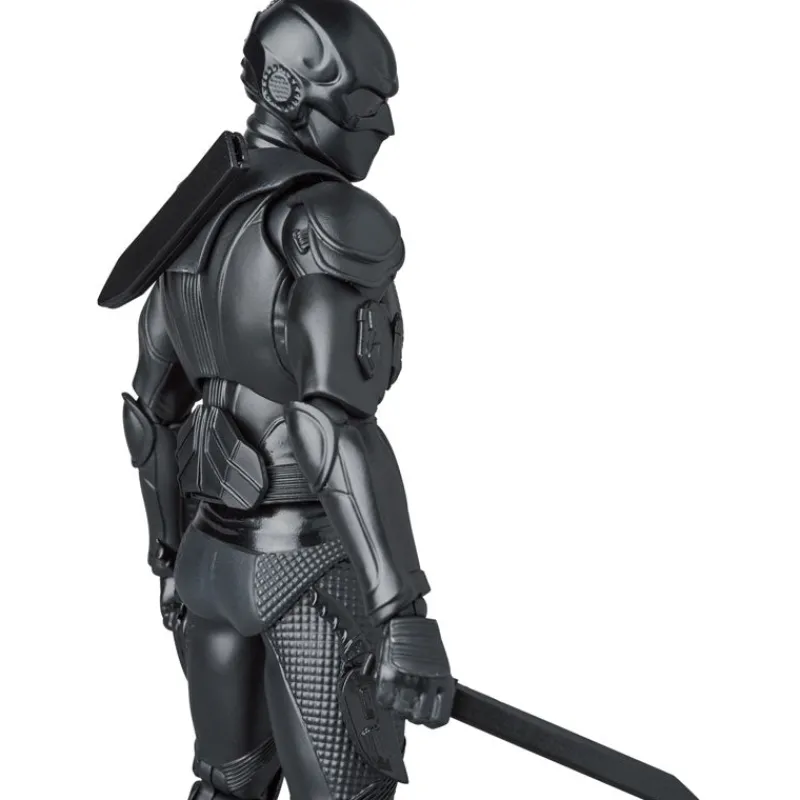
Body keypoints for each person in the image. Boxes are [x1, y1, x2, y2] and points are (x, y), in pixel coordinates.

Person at [101, 2, 455, 799]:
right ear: (293, 91)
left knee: (226, 789)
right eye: (366, 102)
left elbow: (152, 418)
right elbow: (330, 425)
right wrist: (401, 614)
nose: (386, 126)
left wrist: (168, 560)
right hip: (307, 572)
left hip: (208, 565)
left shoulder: (194, 223)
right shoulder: (334, 220)